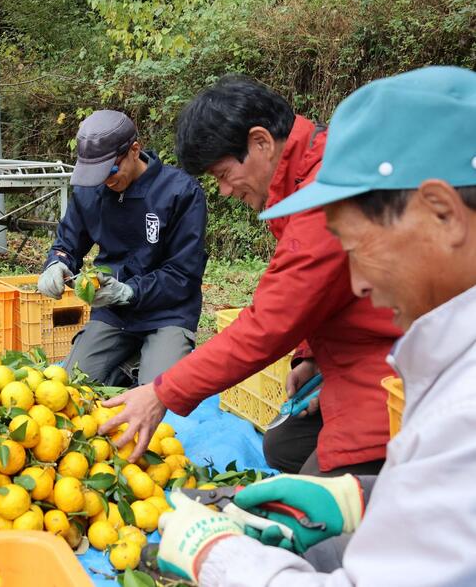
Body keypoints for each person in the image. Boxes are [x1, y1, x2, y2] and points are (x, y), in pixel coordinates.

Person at [155, 65, 476, 586]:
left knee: (316, 537)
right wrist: (367, 498)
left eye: (356, 249)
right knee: (285, 452)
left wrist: (217, 558)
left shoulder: (461, 412)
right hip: (363, 370)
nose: (356, 283)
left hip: (370, 378)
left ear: (443, 212)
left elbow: (272, 318)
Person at [100, 76, 402, 476]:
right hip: (356, 352)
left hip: (388, 371)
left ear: (261, 142)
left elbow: (269, 323)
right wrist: (311, 356)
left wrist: (162, 392)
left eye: (224, 174)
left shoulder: (325, 197)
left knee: (313, 508)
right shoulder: (301, 180)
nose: (224, 191)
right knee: (281, 446)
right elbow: (321, 292)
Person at [37, 110, 207, 386]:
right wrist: (57, 264)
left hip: (167, 311)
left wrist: (130, 291)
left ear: (134, 150)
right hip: (114, 314)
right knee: (73, 386)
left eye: (111, 170)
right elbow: (67, 244)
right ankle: (130, 364)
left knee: (159, 396)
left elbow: (183, 274)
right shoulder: (90, 191)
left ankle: (146, 363)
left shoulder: (180, 192)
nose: (106, 180)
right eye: (96, 174)